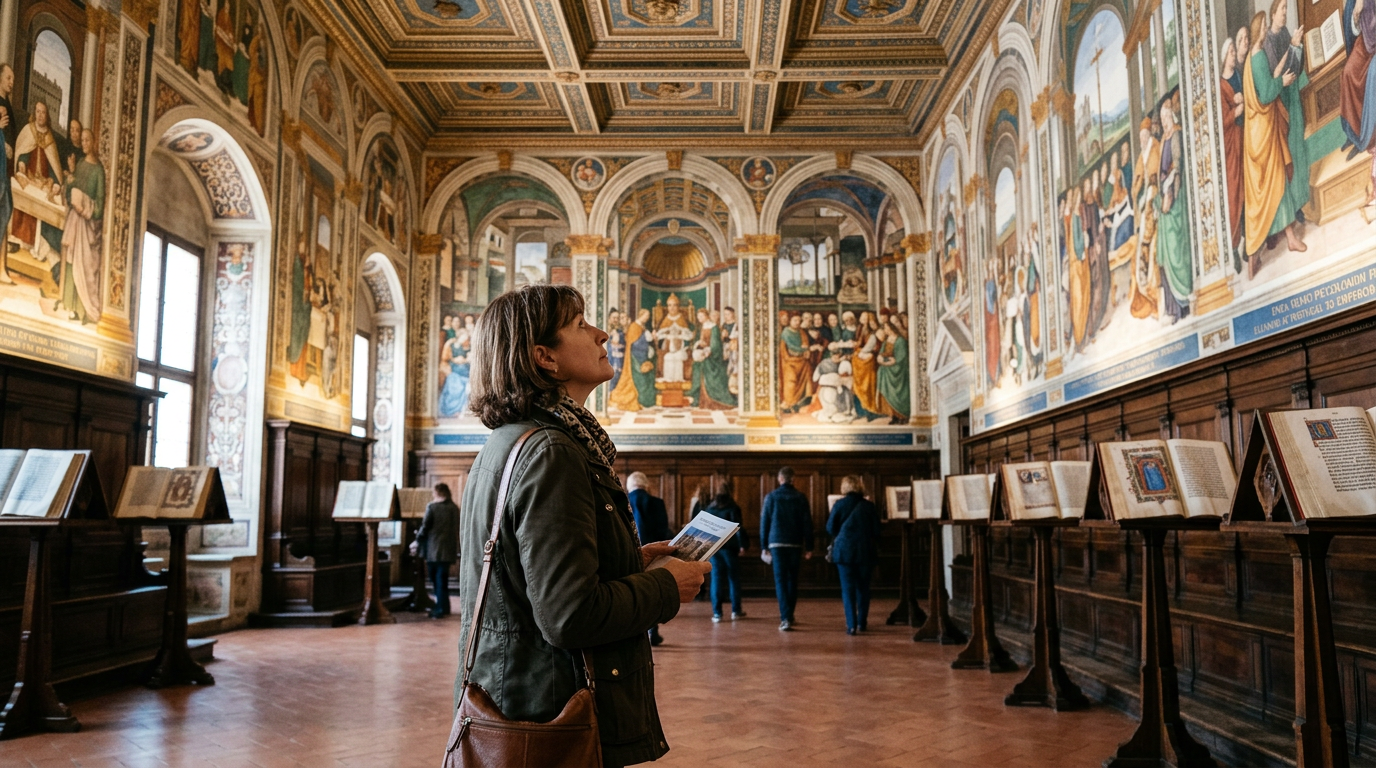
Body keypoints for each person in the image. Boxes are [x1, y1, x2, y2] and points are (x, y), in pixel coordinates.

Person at [460, 284, 710, 768]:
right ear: (544, 358)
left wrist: (630, 564)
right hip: (550, 713)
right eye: (580, 326)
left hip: (524, 693)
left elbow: (530, 577)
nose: (602, 334)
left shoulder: (514, 441)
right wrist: (663, 587)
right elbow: (569, 616)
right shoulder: (553, 451)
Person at [759, 466, 813, 631]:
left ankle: (785, 618)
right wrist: (809, 547)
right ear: (793, 479)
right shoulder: (800, 497)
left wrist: (764, 546)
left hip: (776, 544)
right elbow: (807, 524)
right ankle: (790, 615)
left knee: (780, 581)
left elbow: (765, 523)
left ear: (780, 479)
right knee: (792, 581)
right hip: (795, 543)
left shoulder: (771, 497)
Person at [826, 476, 882, 635]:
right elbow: (877, 531)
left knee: (847, 588)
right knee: (863, 588)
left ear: (844, 488)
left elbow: (830, 528)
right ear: (859, 487)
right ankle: (862, 623)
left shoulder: (839, 505)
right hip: (865, 551)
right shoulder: (869, 506)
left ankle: (851, 625)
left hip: (844, 552)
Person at [627, 470, 672, 646]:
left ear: (629, 486)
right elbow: (663, 530)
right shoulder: (657, 503)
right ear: (646, 485)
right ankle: (652, 630)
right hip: (654, 552)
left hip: (629, 553)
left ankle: (635, 631)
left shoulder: (623, 502)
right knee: (652, 591)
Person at [411, 482, 459, 619]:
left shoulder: (432, 507)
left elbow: (425, 527)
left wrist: (417, 541)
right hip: (448, 549)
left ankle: (439, 609)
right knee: (442, 580)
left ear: (437, 493)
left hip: (433, 549)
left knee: (436, 579)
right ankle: (445, 607)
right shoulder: (454, 508)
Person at [703, 483, 748, 622]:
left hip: (714, 548)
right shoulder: (733, 508)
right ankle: (736, 611)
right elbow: (738, 527)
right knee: (733, 579)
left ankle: (717, 613)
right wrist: (743, 546)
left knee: (716, 579)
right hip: (730, 548)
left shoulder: (709, 509)